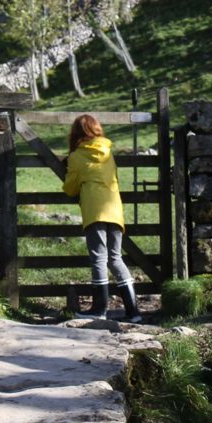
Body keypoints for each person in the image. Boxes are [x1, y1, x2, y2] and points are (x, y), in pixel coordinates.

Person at [62, 113, 142, 322]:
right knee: (115, 258)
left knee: (98, 257)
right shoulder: (108, 152)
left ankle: (100, 310)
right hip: (114, 209)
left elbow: (70, 189)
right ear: (96, 129)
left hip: (94, 211)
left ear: (77, 133)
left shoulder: (77, 156)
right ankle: (133, 311)